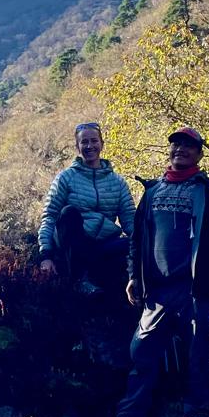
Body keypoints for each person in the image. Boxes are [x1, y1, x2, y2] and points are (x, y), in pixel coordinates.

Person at [101, 127, 209, 417]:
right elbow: (137, 239)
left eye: (188, 146)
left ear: (199, 154)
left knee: (198, 354)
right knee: (141, 351)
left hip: (195, 290)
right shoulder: (152, 192)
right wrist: (134, 276)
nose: (181, 150)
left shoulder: (208, 194)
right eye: (176, 145)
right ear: (170, 151)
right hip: (157, 291)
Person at [38, 122, 136, 295]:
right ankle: (79, 280)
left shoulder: (118, 182)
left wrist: (145, 243)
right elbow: (50, 216)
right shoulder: (65, 178)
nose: (90, 146)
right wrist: (46, 256)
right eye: (84, 142)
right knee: (69, 212)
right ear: (77, 147)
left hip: (103, 244)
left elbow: (129, 219)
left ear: (102, 144)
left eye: (94, 141)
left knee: (136, 242)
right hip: (73, 245)